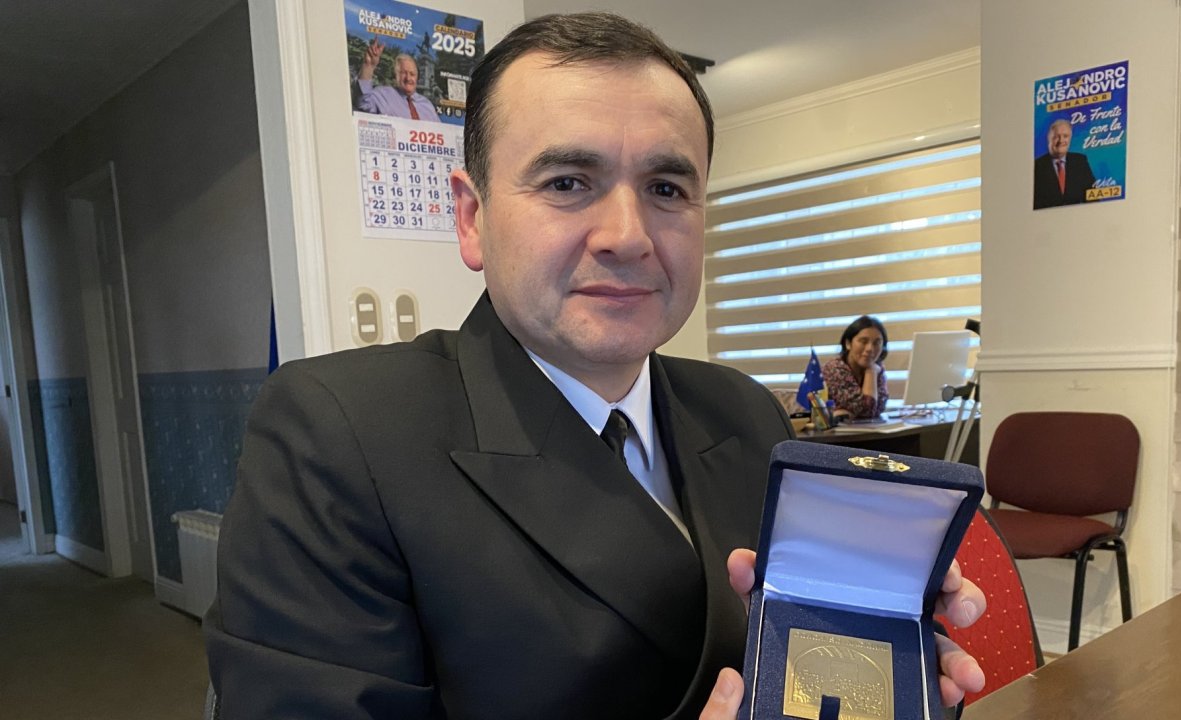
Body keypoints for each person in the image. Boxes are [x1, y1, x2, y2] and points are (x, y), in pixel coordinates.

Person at [206, 12, 985, 720]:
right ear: (472, 218)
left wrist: (881, 661)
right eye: (568, 183)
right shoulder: (339, 434)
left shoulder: (744, 411)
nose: (628, 235)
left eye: (666, 187)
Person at [353, 37, 441, 122]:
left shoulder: (427, 105)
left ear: (417, 77)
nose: (408, 78)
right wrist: (368, 66)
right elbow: (362, 103)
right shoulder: (383, 94)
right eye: (404, 73)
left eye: (412, 74)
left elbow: (440, 130)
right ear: (396, 75)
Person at [824, 315, 889, 419]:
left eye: (877, 343)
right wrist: (871, 372)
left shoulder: (877, 368)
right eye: (863, 341)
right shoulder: (835, 368)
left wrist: (852, 413)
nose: (870, 348)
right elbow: (868, 411)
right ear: (848, 343)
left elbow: (879, 408)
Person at [1033, 118, 1095, 208]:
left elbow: (1092, 196)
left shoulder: (1080, 161)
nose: (1061, 140)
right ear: (1049, 139)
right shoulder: (1037, 166)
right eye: (1056, 136)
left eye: (1065, 136)